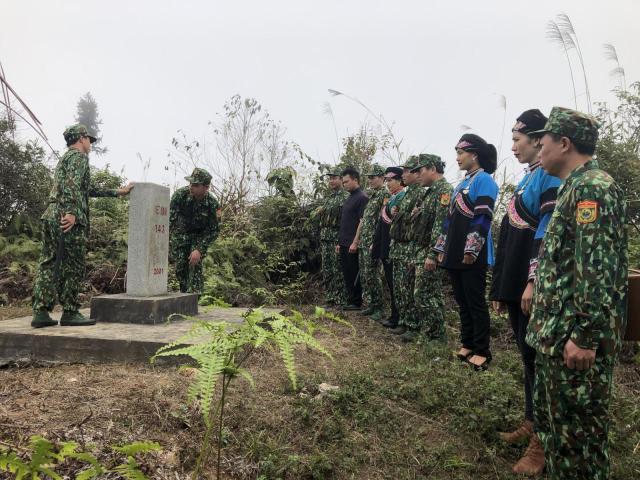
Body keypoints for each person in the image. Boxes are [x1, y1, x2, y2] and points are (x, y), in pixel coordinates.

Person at [525, 107, 628, 480]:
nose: (539, 152)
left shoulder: (592, 188)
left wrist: (584, 336)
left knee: (577, 443)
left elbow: (597, 270)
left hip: (575, 344)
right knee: (559, 435)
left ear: (564, 143)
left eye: (543, 143)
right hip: (559, 338)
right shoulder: (574, 186)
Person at [490, 109, 561, 474]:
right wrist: (506, 287)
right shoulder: (528, 179)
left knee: (538, 361)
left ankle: (543, 442)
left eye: (518, 139)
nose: (513, 146)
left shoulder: (548, 179)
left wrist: (533, 281)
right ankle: (532, 422)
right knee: (527, 359)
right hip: (518, 285)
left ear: (538, 140)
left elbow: (545, 232)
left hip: (533, 286)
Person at [31, 124, 133, 328]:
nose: (90, 144)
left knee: (49, 262)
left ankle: (41, 312)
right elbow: (72, 186)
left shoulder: (65, 159)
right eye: (89, 139)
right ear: (81, 139)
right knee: (73, 266)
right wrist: (70, 212)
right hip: (67, 216)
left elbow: (86, 189)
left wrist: (117, 192)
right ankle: (70, 312)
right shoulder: (79, 158)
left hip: (51, 213)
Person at [434, 134, 498, 370]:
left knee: (475, 301)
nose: (457, 158)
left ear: (474, 154)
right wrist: (441, 247)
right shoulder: (461, 184)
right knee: (462, 301)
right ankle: (468, 343)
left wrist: (471, 249)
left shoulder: (485, 181)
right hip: (454, 251)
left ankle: (482, 350)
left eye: (461, 153)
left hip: (474, 252)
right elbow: (448, 220)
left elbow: (483, 217)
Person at [410, 154, 453, 344]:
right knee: (430, 293)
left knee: (423, 294)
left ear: (432, 169)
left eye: (421, 171)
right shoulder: (430, 192)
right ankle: (433, 333)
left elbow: (441, 225)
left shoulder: (444, 191)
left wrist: (433, 254)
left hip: (431, 252)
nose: (419, 175)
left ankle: (435, 335)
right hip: (423, 249)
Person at [388, 156, 425, 336]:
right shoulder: (407, 193)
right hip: (398, 246)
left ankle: (413, 325)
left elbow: (417, 222)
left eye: (406, 171)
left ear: (416, 173)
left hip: (409, 247)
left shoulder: (420, 193)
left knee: (409, 288)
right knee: (400, 288)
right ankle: (403, 320)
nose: (403, 174)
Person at [169, 168, 220, 294]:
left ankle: (195, 301)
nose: (191, 186)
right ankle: (184, 298)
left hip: (199, 237)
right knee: (181, 269)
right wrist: (165, 242)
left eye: (196, 185)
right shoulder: (180, 196)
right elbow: (170, 221)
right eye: (191, 183)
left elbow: (214, 230)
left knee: (194, 266)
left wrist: (199, 249)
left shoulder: (212, 204)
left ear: (206, 187)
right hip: (181, 235)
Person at [352, 164, 388, 319]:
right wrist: (359, 239)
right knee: (367, 275)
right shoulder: (372, 195)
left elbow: (383, 220)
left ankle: (379, 308)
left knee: (373, 274)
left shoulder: (384, 195)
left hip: (373, 241)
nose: (370, 181)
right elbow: (365, 220)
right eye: (369, 178)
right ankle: (372, 305)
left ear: (382, 178)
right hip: (365, 242)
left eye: (373, 178)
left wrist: (376, 241)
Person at [373, 167, 405, 328]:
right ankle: (394, 315)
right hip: (386, 247)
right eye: (386, 180)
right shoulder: (392, 198)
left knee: (397, 285)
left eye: (390, 180)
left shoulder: (403, 197)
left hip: (395, 248)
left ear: (400, 180)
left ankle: (398, 317)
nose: (388, 183)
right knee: (392, 284)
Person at [315, 169, 348, 307]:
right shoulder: (328, 198)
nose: (332, 181)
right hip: (325, 238)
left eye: (334, 178)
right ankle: (330, 298)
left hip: (336, 238)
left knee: (338, 270)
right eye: (330, 179)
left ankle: (341, 299)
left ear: (341, 179)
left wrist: (341, 240)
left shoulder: (346, 197)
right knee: (327, 269)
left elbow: (347, 222)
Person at [337, 167, 369, 310]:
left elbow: (362, 221)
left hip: (352, 243)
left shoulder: (362, 197)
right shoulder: (349, 197)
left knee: (354, 272)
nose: (344, 185)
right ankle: (350, 299)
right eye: (343, 182)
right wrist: (339, 242)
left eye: (347, 182)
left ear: (355, 180)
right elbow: (346, 221)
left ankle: (356, 302)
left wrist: (355, 242)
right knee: (347, 273)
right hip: (344, 242)